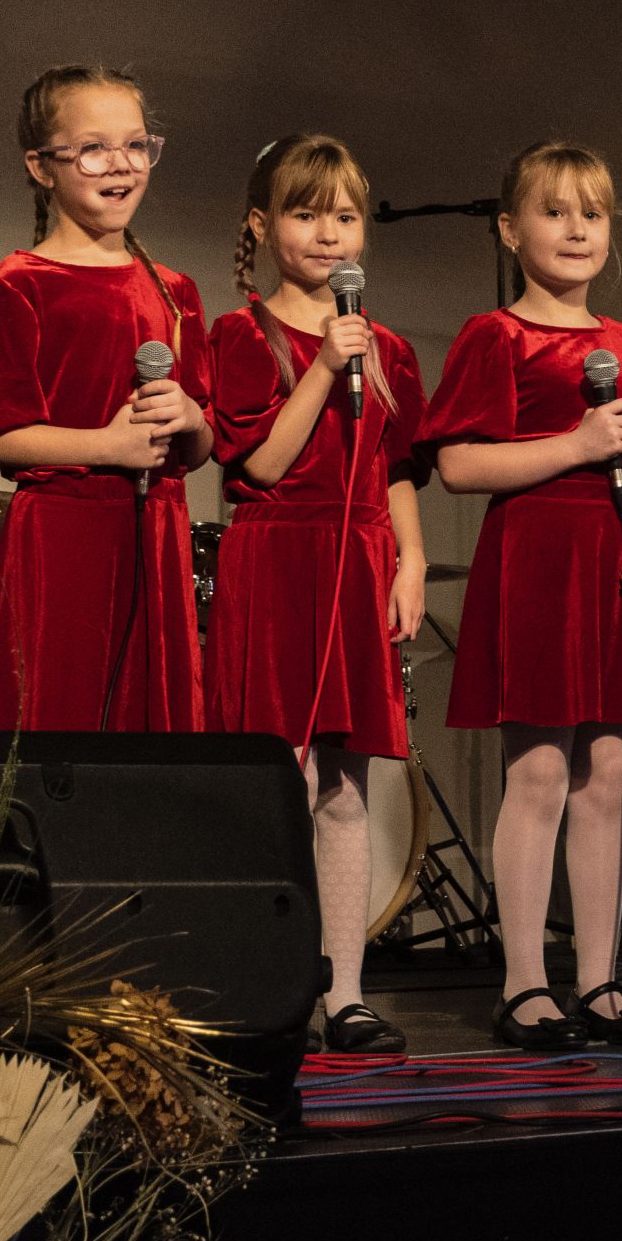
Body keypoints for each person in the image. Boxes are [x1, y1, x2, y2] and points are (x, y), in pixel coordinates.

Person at [417, 143, 622, 1050]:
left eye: (593, 214)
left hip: (619, 562)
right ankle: (524, 982)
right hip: (539, 563)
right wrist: (575, 446)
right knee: (538, 771)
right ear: (510, 229)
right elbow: (458, 464)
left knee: (608, 775)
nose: (577, 229)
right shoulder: (495, 336)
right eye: (555, 211)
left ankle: (601, 981)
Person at [208, 134, 429, 1056]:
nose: (329, 233)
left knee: (347, 786)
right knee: (281, 779)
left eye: (344, 215)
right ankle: (270, 982)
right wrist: (325, 366)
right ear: (264, 226)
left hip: (358, 561)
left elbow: (398, 466)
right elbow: (260, 462)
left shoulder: (390, 349)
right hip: (276, 562)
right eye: (306, 213)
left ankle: (345, 991)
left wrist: (411, 559)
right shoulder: (240, 334)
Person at [0, 63, 212, 732]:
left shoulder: (173, 290)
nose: (121, 163)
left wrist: (193, 417)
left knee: (150, 735)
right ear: (42, 166)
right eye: (92, 149)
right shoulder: (20, 283)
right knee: (57, 717)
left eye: (136, 145)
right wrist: (106, 446)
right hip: (62, 539)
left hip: (155, 533)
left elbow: (200, 448)